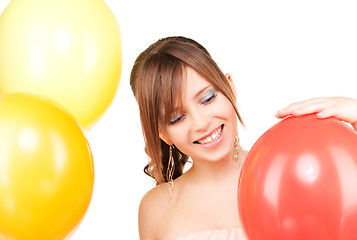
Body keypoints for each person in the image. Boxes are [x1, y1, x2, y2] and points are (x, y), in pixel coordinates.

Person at [129, 36, 357, 240]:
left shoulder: (290, 174)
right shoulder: (153, 210)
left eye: (207, 98)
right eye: (177, 117)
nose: (201, 123)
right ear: (163, 134)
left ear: (229, 86)